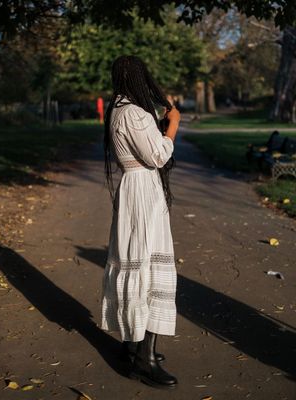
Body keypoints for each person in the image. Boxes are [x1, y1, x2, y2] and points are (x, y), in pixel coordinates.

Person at [101, 55, 180, 389]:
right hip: (142, 191)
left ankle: (132, 346)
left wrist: (158, 125)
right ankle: (143, 361)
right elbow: (158, 156)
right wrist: (173, 123)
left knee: (133, 261)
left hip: (133, 188)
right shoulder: (133, 112)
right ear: (138, 78)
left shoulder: (119, 109)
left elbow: (144, 149)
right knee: (146, 266)